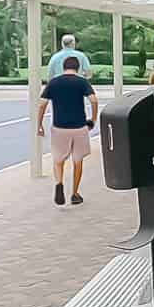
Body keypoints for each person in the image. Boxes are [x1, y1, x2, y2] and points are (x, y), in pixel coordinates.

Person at [37, 57, 99, 206]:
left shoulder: (54, 82)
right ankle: (75, 194)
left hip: (59, 127)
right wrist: (93, 119)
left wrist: (39, 124)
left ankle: (59, 184)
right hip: (79, 127)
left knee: (58, 160)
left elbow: (42, 104)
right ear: (77, 68)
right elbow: (94, 100)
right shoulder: (82, 82)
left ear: (63, 67)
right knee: (78, 161)